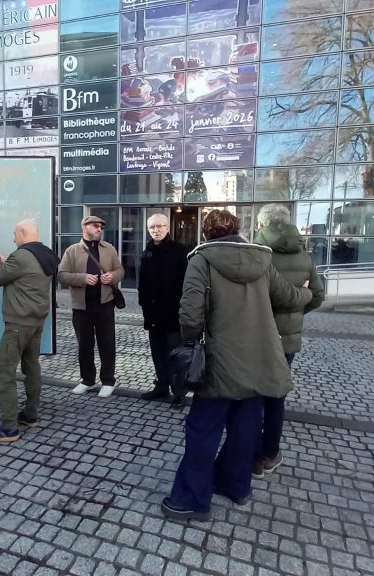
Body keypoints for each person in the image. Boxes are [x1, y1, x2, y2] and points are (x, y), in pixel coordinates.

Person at [160, 209, 314, 521]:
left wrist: (191, 342)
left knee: (202, 429)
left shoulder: (201, 260)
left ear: (205, 233)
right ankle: (236, 486)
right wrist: (308, 290)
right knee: (245, 428)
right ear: (239, 228)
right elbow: (286, 296)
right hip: (259, 360)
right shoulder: (262, 261)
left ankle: (191, 500)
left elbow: (190, 313)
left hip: (220, 361)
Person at [252, 204, 326, 477]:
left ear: (261, 225)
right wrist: (295, 312)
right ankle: (270, 454)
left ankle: (251, 456)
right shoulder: (305, 257)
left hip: (256, 334)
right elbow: (317, 296)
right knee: (276, 396)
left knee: (252, 396)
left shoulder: (256, 254)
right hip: (286, 339)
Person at [0, 219, 59, 442]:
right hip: (36, 322)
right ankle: (30, 415)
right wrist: (5, 263)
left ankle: (8, 428)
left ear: (24, 233)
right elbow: (25, 276)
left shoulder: (22, 256)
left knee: (5, 371)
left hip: (17, 324)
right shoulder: (46, 254)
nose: (14, 238)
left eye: (15, 234)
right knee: (31, 367)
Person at [57, 215, 125, 398]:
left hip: (105, 304)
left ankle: (108, 380)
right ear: (84, 227)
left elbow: (121, 270)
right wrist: (82, 278)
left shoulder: (109, 249)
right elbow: (62, 275)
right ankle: (87, 380)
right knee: (84, 345)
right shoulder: (72, 251)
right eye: (95, 226)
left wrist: (112, 276)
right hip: (81, 306)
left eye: (101, 227)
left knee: (107, 343)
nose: (99, 229)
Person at [138, 213, 188, 409]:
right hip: (153, 313)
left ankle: (179, 393)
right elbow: (142, 281)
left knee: (176, 355)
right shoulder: (147, 251)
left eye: (160, 226)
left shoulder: (180, 251)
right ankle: (161, 386)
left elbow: (186, 284)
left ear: (167, 227)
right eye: (152, 227)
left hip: (173, 313)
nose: (156, 230)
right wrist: (143, 303)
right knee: (158, 353)